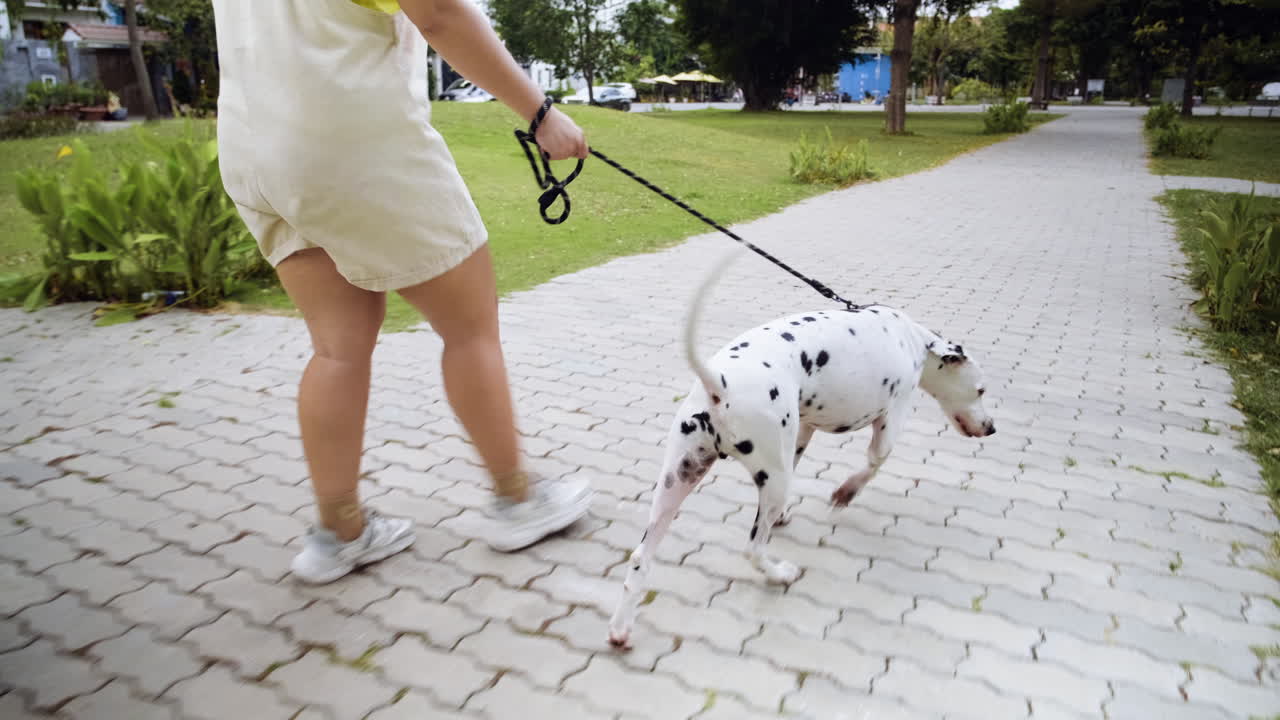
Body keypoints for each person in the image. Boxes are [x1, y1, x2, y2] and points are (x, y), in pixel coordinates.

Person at [211, 0, 593, 584]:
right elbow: (439, 12)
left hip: (255, 146)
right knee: (469, 328)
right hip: (350, 140)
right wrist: (540, 113)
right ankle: (519, 500)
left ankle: (338, 534)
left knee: (337, 347)